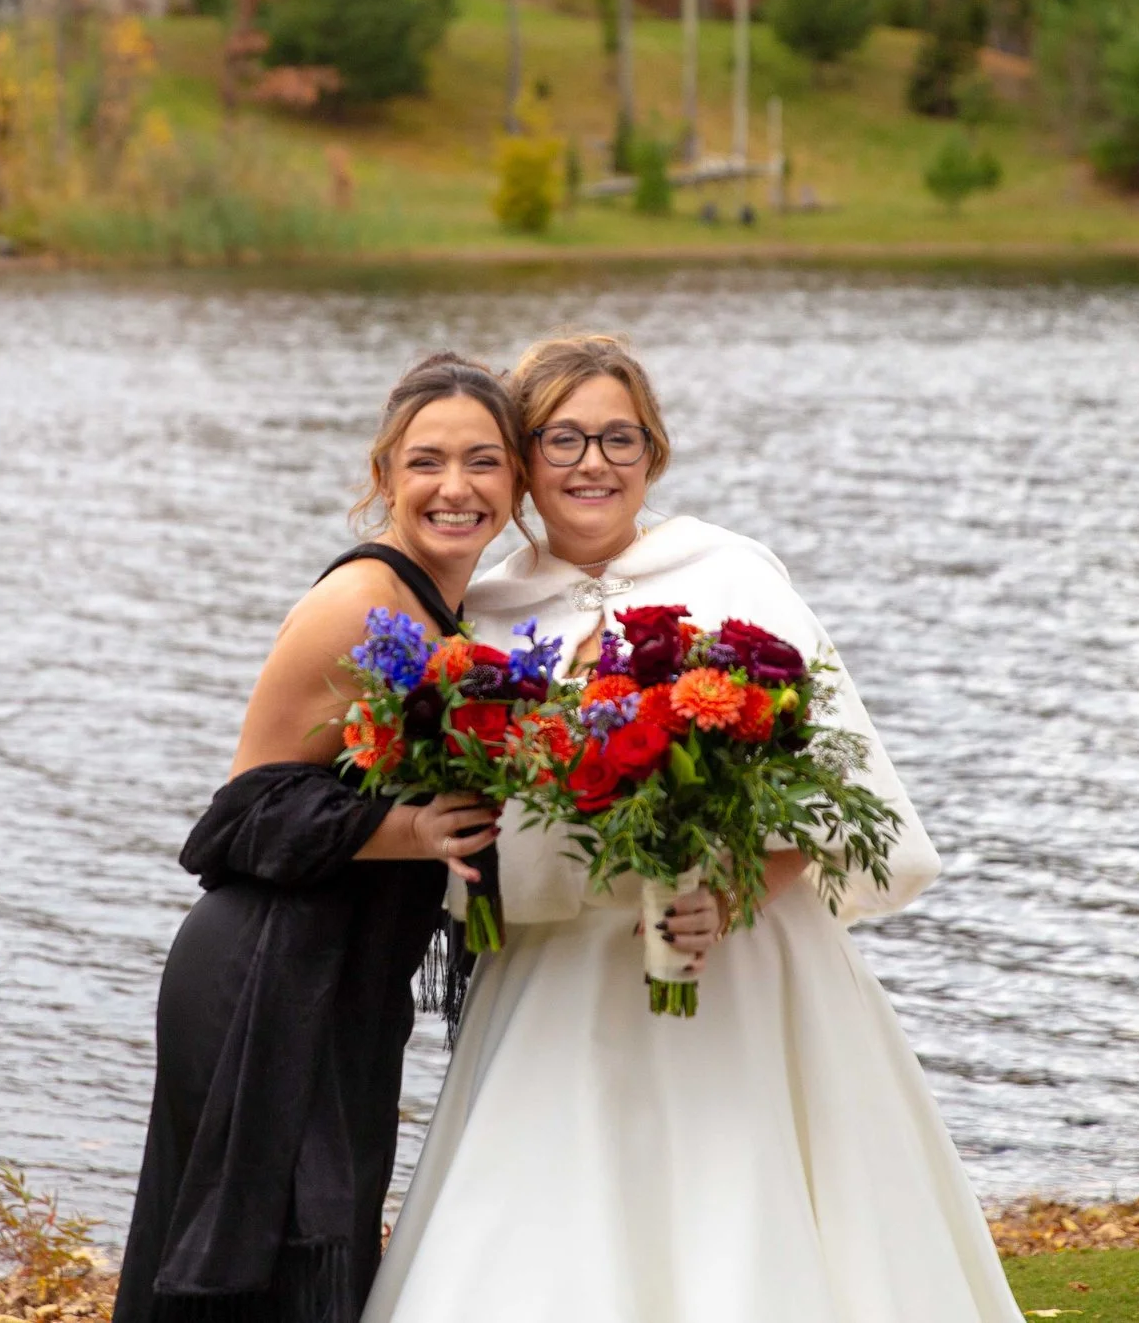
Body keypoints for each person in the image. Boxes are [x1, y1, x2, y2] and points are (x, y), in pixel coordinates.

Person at [363, 334, 1024, 1323]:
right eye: (564, 438)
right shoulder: (482, 614)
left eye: (620, 437)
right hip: (556, 976)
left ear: (654, 452)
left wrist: (729, 882)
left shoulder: (734, 576)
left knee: (754, 1208)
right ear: (523, 460)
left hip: (745, 965)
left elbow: (840, 788)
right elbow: (461, 811)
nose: (594, 462)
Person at [114, 353, 522, 1323]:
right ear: (383, 473)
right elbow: (234, 817)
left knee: (319, 1249)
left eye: (482, 460)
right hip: (263, 973)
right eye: (426, 460)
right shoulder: (365, 599)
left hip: (340, 981)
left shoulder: (454, 608)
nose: (454, 486)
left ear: (516, 480)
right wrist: (410, 826)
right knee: (276, 1259)